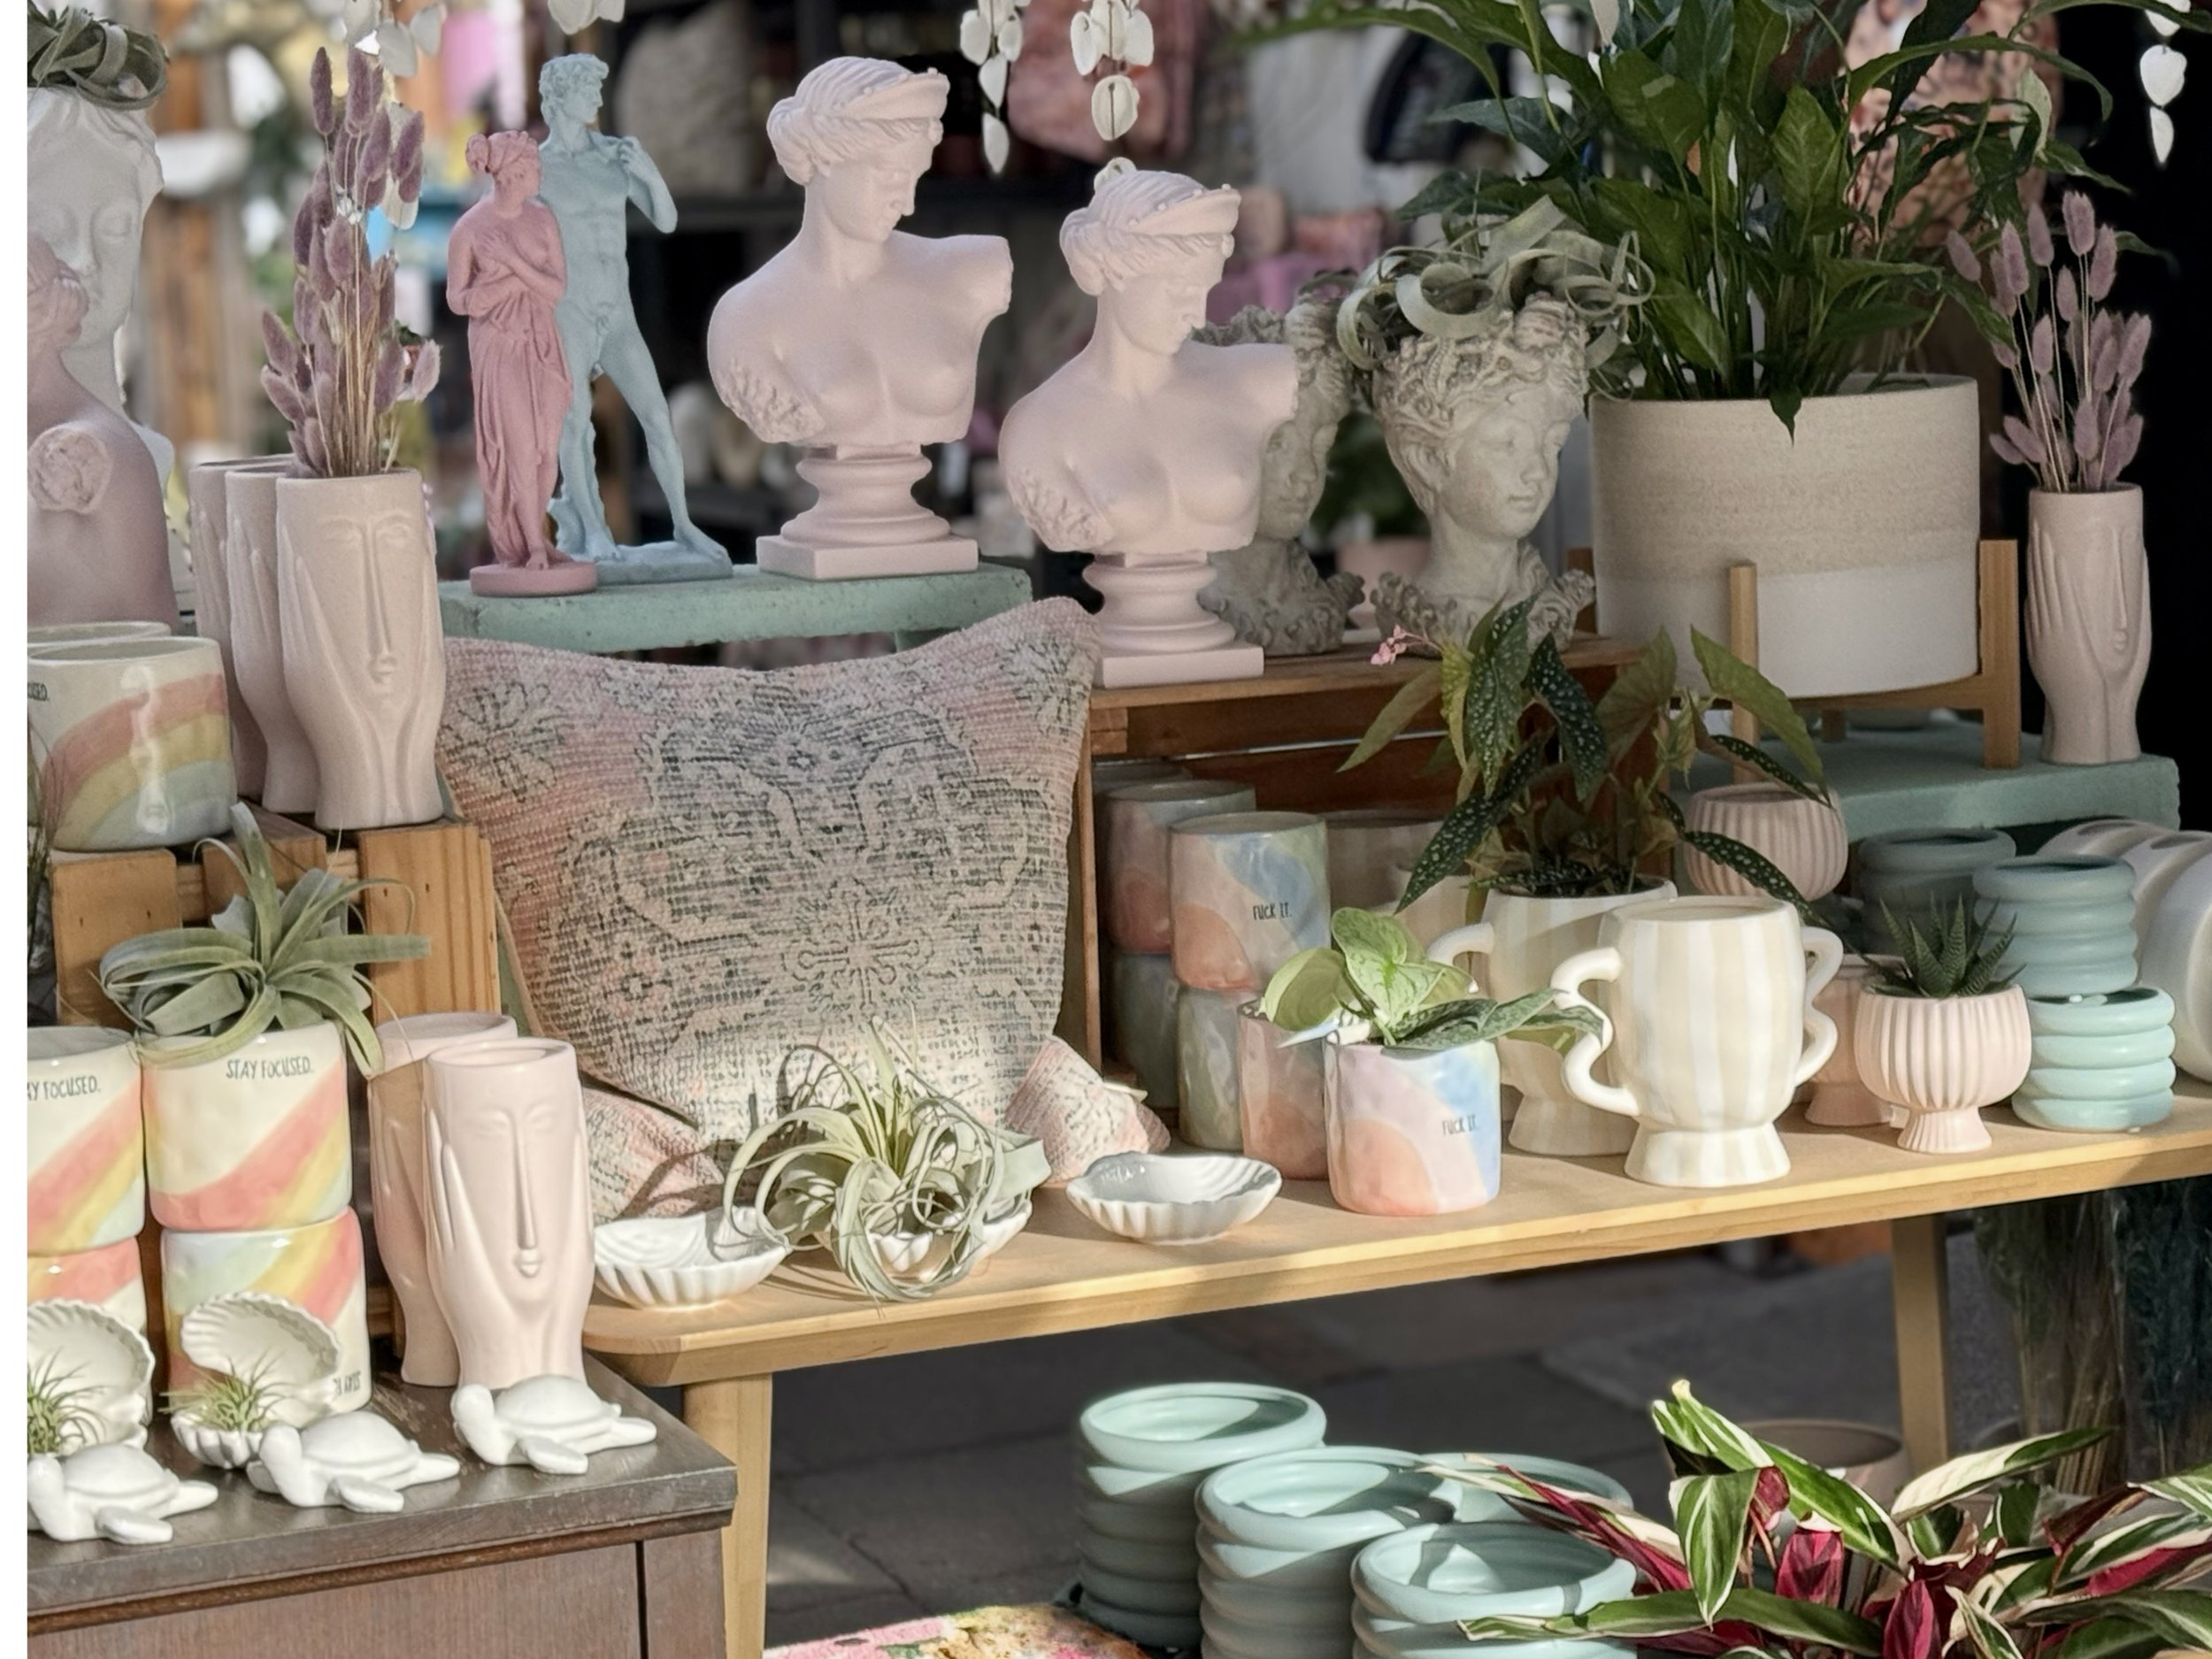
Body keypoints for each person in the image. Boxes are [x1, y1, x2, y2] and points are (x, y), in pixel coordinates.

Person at [535, 53, 722, 573]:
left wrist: (649, 174)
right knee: (574, 423)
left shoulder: (613, 156)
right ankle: (593, 529)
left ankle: (683, 525)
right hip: (569, 313)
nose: (599, 99)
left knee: (658, 418)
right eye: (589, 90)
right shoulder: (535, 170)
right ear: (561, 97)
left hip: (617, 314)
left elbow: (666, 220)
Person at [448, 132, 592, 594]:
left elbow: (556, 289)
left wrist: (511, 263)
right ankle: (530, 544)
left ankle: (539, 536)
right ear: (509, 176)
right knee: (520, 447)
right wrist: (514, 284)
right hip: (499, 347)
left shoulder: (542, 218)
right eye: (531, 170)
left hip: (541, 342)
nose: (539, 175)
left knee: (547, 449)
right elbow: (458, 300)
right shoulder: (469, 229)